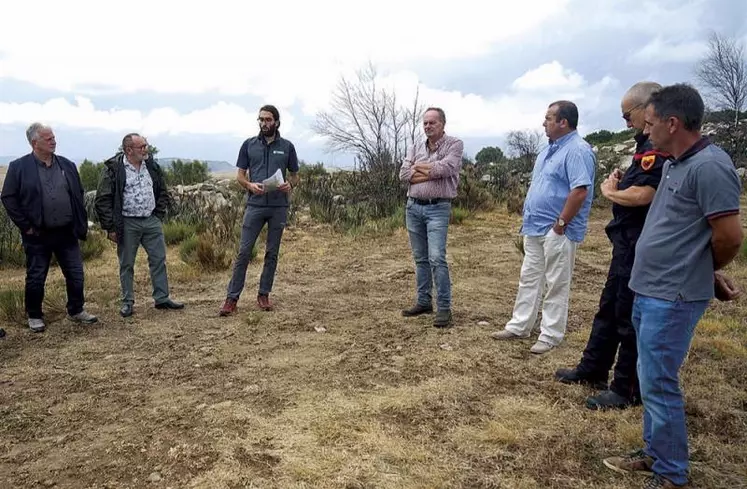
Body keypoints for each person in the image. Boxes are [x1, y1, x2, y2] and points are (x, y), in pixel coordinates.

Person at [602, 84, 743, 489]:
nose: (645, 131)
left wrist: (705, 271)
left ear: (672, 123)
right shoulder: (676, 163)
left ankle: (670, 475)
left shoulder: (710, 167)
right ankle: (654, 453)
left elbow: (729, 236)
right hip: (650, 288)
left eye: (649, 124)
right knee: (649, 377)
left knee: (660, 381)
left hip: (673, 294)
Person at [555, 82, 669, 410]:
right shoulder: (644, 144)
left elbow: (646, 193)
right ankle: (592, 369)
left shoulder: (657, 145)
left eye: (627, 114)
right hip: (625, 244)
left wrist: (611, 192)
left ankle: (625, 389)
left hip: (642, 246)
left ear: (647, 109)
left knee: (629, 315)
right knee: (608, 309)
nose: (625, 121)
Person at [491, 101, 596, 354]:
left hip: (558, 230)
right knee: (529, 278)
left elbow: (580, 191)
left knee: (556, 282)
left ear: (564, 122)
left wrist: (560, 225)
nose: (544, 122)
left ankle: (550, 335)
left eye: (549, 118)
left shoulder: (577, 150)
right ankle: (520, 325)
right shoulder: (547, 151)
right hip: (535, 227)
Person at [1, 123, 98, 332]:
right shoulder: (19, 167)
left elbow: (78, 193)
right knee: (36, 276)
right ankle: (35, 315)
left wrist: (78, 221)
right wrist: (26, 226)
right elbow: (8, 197)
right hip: (37, 234)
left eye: (53, 137)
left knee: (75, 273)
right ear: (35, 143)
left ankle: (76, 310)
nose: (53, 141)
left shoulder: (67, 165)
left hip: (66, 232)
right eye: (48, 138)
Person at [219, 105, 299, 315]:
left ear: (277, 122)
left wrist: (290, 185)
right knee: (244, 252)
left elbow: (295, 176)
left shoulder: (288, 147)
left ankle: (263, 294)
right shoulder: (249, 145)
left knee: (272, 253)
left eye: (268, 120)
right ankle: (231, 299)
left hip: (278, 206)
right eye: (261, 120)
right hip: (255, 205)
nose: (264, 123)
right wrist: (249, 185)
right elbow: (240, 175)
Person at [95, 133, 184, 317]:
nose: (146, 149)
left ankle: (162, 298)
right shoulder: (114, 169)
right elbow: (103, 199)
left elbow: (162, 190)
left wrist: (158, 215)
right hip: (127, 222)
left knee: (159, 259)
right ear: (129, 150)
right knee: (126, 263)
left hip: (151, 220)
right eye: (141, 147)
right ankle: (127, 302)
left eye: (146, 145)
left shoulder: (151, 165)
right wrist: (110, 227)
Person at [399, 107, 464, 328]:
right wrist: (427, 171)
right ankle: (424, 301)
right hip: (413, 207)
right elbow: (403, 174)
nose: (428, 126)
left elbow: (445, 169)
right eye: (425, 123)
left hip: (438, 208)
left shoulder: (454, 144)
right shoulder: (416, 145)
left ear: (443, 124)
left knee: (437, 258)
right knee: (420, 258)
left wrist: (418, 168)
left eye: (432, 123)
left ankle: (444, 308)